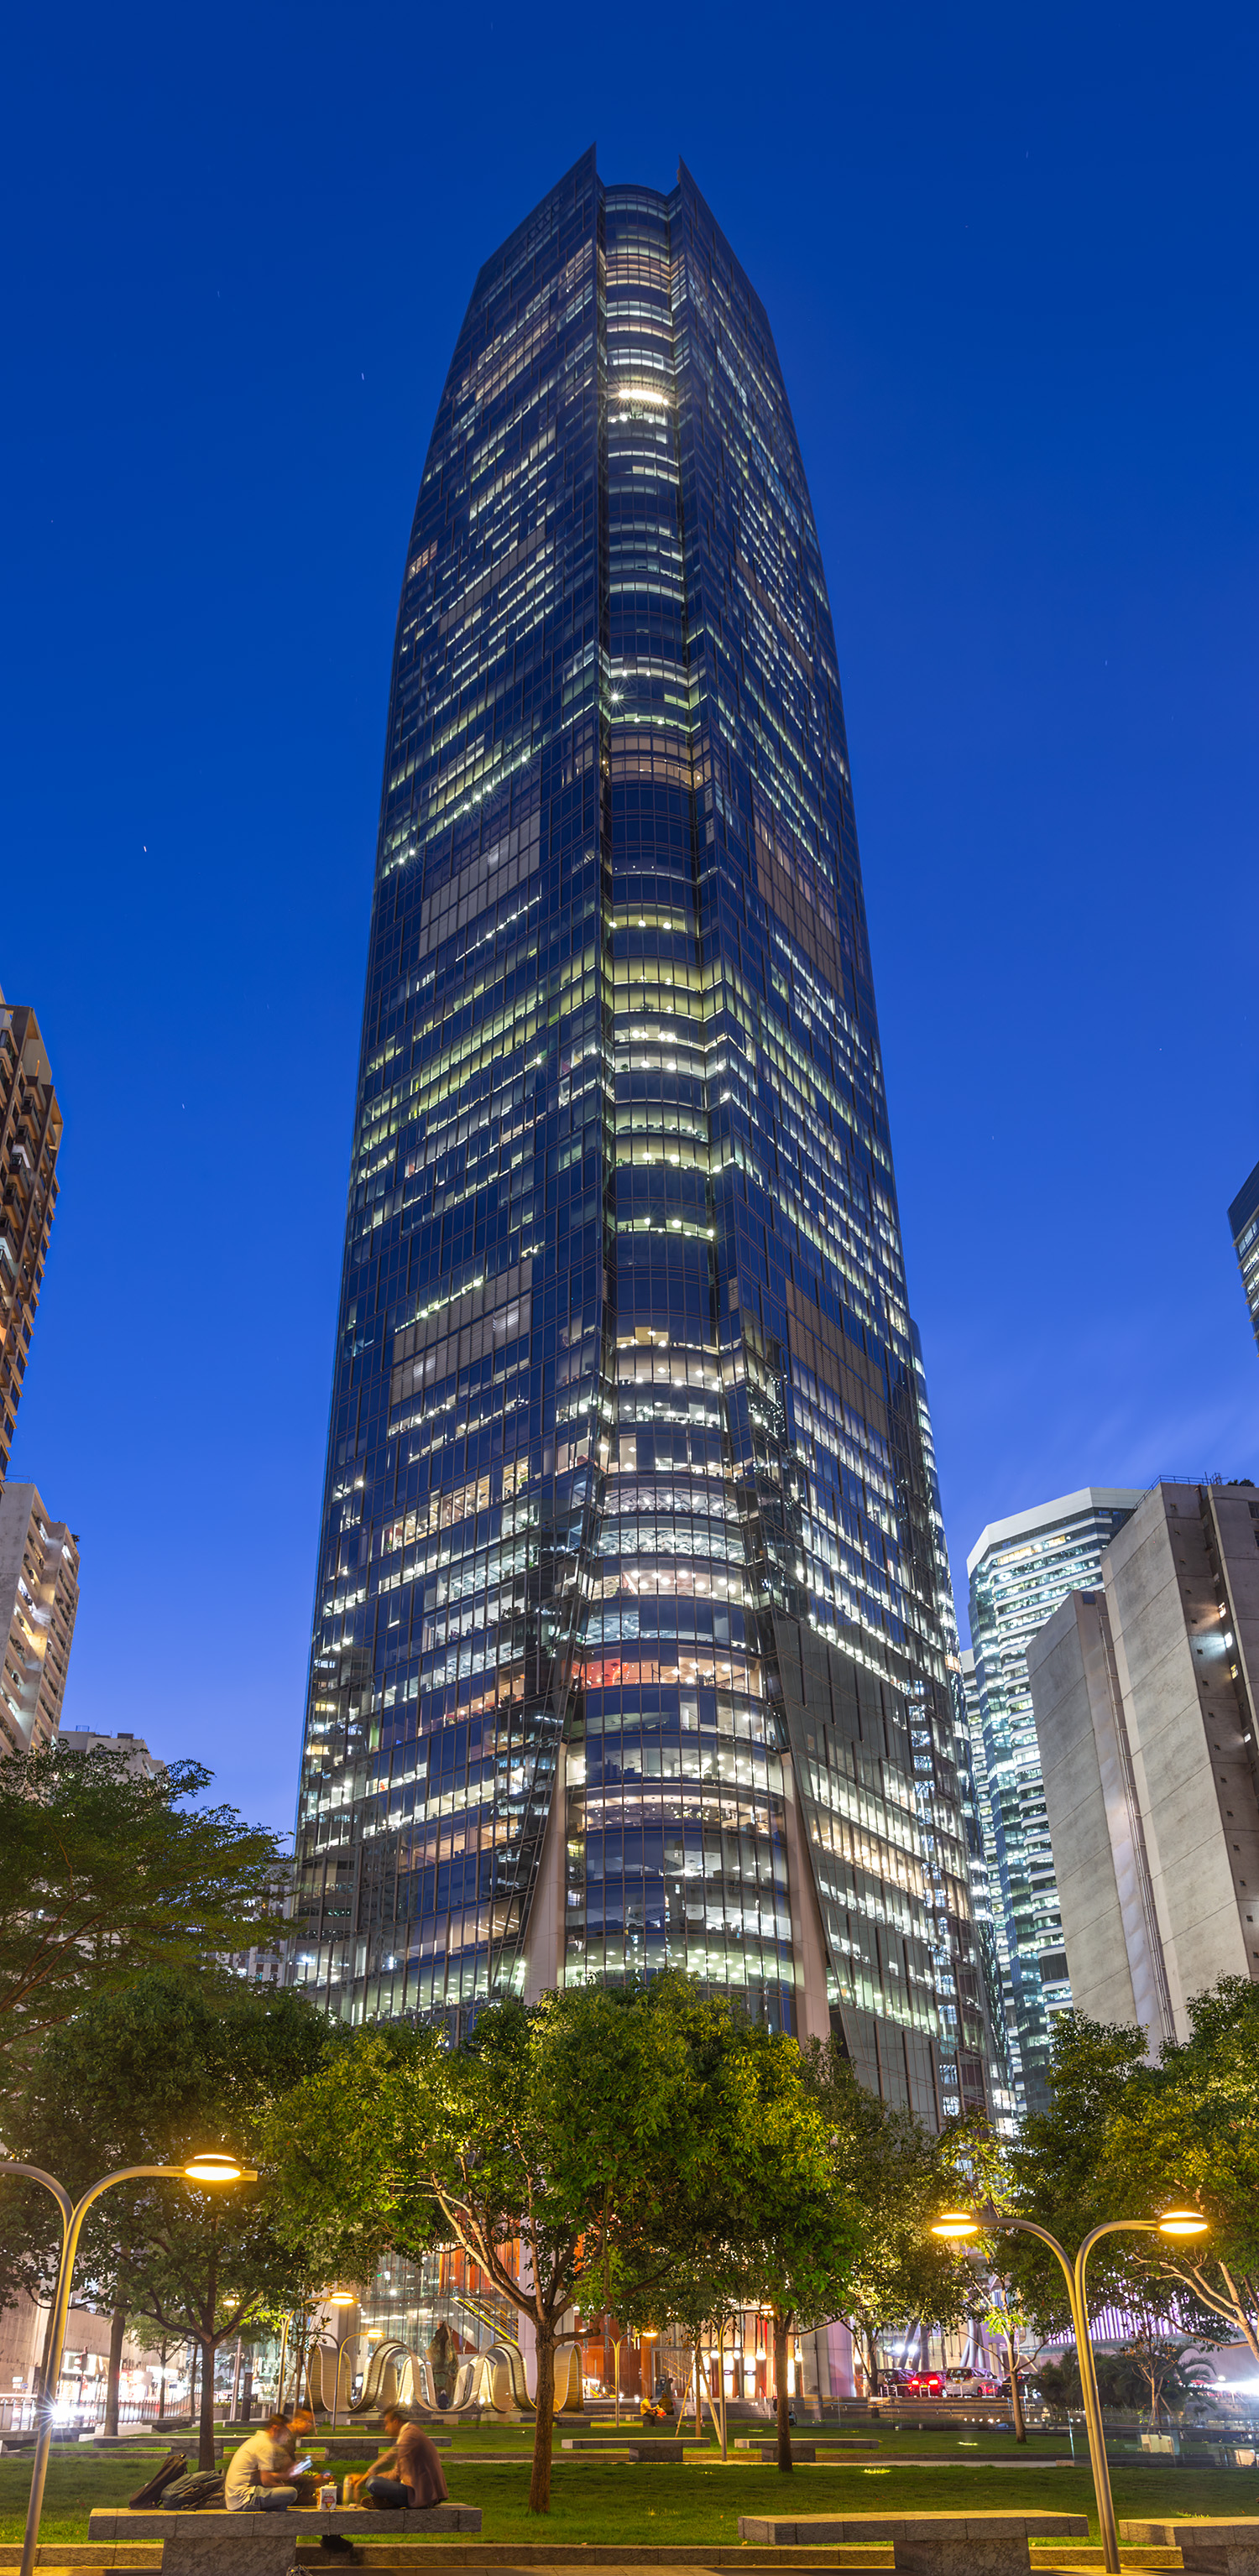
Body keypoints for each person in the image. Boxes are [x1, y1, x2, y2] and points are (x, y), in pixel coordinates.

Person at [352, 2407, 448, 2511]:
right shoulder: (410, 2434)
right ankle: (391, 2501)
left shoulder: (410, 2435)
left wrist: (363, 2479)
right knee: (373, 2481)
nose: (386, 2428)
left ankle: (393, 2501)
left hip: (422, 2495)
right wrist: (365, 2477)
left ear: (396, 2421)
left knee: (373, 2483)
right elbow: (396, 2474)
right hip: (419, 2492)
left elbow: (388, 2457)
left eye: (387, 2423)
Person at [224, 2410, 316, 2514]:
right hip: (244, 2499)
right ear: (276, 2429)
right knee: (291, 2493)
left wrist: (286, 2475)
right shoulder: (265, 2445)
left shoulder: (259, 2440)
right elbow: (266, 2481)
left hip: (235, 2499)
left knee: (285, 2496)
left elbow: (262, 2476)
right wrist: (283, 2488)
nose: (286, 2437)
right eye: (285, 2432)